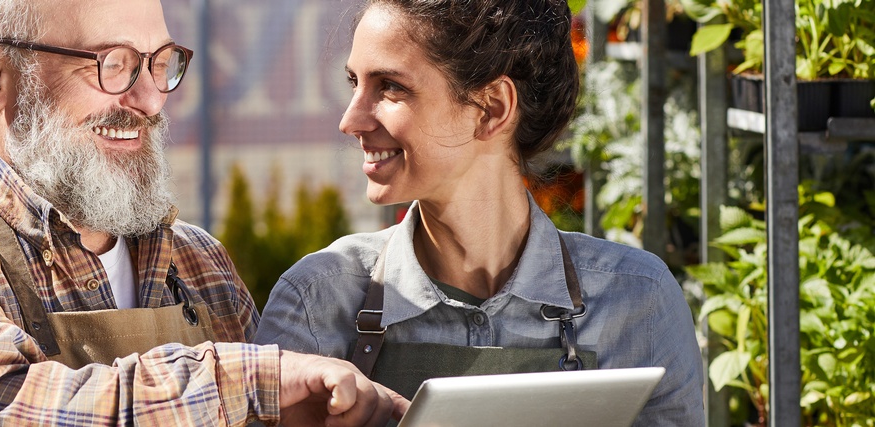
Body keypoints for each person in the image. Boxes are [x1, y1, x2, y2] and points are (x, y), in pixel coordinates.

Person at [0, 0, 408, 425]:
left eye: (160, 63)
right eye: (112, 63)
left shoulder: (196, 261)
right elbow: (4, 411)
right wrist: (255, 379)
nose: (151, 98)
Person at [253, 0, 705, 425]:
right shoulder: (317, 301)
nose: (350, 120)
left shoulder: (638, 300)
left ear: (491, 109)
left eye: (390, 86)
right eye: (355, 83)